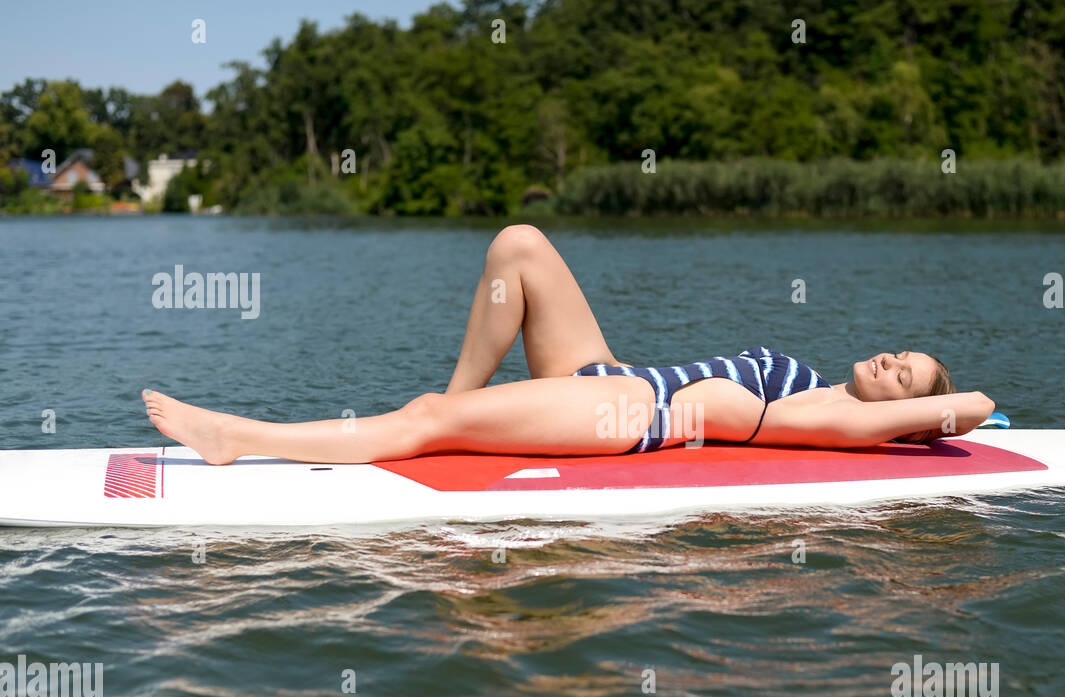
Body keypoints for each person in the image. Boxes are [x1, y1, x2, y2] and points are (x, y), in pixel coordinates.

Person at [142, 225, 994, 466]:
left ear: (912, 416)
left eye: (903, 374)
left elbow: (980, 407)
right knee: (520, 247)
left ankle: (237, 439)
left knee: (433, 418)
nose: (888, 358)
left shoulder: (843, 424)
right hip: (610, 374)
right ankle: (449, 413)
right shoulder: (814, 383)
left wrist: (935, 409)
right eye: (898, 351)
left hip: (630, 412)